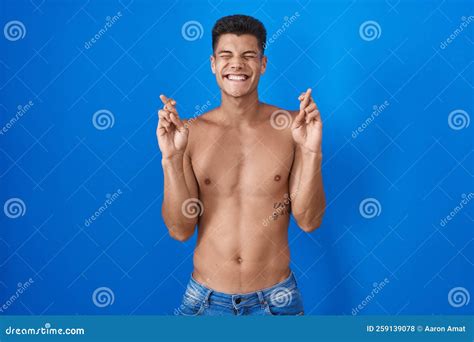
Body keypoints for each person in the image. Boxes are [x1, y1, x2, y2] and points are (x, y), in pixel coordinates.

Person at [157, 14, 325, 316]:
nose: (236, 64)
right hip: (204, 303)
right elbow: (179, 230)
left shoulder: (290, 128)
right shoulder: (190, 133)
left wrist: (312, 151)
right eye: (226, 56)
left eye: (249, 56)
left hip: (277, 302)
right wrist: (170, 158)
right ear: (213, 64)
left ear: (262, 64)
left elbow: (309, 221)